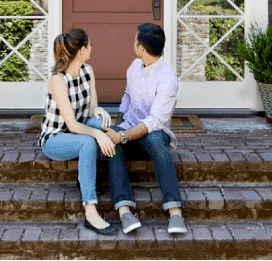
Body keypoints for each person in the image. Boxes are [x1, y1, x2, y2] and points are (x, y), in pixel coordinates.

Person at [103, 23, 187, 235]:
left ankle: (175, 212)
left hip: (154, 133)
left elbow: (154, 121)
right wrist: (118, 128)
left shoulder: (167, 78)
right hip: (129, 129)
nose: (133, 44)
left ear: (141, 48)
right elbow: (127, 97)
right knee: (112, 146)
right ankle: (124, 210)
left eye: (135, 41)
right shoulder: (134, 66)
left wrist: (121, 135)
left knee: (155, 142)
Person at [38, 28, 118, 235]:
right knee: (89, 142)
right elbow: (72, 125)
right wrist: (96, 134)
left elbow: (91, 111)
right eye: (88, 45)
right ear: (81, 50)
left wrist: (99, 113)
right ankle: (91, 211)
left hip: (79, 130)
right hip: (55, 138)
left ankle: (87, 177)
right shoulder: (58, 80)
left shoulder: (87, 71)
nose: (91, 48)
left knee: (105, 128)